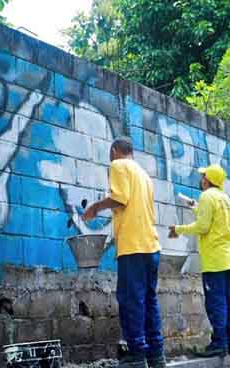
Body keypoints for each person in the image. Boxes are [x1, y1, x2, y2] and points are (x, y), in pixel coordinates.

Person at [83, 138, 165, 368]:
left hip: (133, 246)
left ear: (114, 151)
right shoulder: (144, 174)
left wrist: (94, 208)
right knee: (149, 300)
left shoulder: (118, 166)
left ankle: (136, 355)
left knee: (131, 301)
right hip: (151, 246)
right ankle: (156, 356)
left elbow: (120, 199)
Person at [167, 165, 230, 358]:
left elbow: (203, 226)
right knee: (228, 302)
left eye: (203, 176)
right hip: (229, 258)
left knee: (216, 304)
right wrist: (196, 208)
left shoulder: (207, 196)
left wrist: (178, 229)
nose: (201, 179)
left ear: (207, 179)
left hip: (215, 260)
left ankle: (219, 344)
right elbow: (214, 220)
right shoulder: (225, 198)